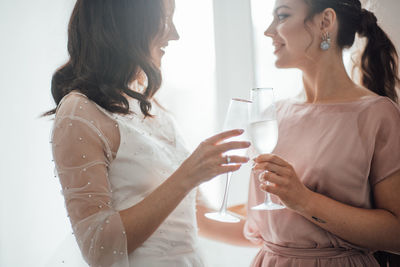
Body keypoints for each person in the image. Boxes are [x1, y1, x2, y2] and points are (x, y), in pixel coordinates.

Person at [44, 0, 251, 266]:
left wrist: (283, 225)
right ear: (128, 24)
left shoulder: (153, 109)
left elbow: (200, 218)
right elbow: (98, 247)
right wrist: (188, 175)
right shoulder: (79, 111)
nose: (175, 34)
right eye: (166, 19)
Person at [197, 0, 400, 266]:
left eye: (282, 16)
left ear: (325, 22)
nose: (269, 31)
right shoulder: (274, 114)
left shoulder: (377, 114)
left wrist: (303, 200)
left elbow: (395, 234)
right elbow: (269, 229)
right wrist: (185, 192)